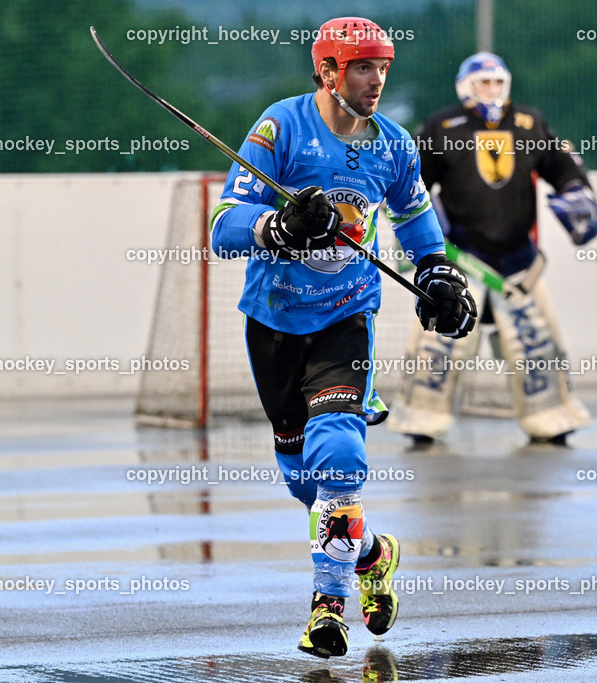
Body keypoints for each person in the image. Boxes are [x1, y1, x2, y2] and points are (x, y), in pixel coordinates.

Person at [209, 17, 477, 658]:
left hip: (347, 317)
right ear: (327, 71)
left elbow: (417, 225)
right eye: (362, 66)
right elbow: (224, 226)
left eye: (383, 67)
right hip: (272, 321)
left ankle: (326, 610)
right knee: (307, 483)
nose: (376, 79)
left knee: (338, 458)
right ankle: (373, 553)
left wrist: (438, 277)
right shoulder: (281, 127)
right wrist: (278, 225)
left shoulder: (394, 146)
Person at [388, 52, 597, 445]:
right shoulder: (441, 126)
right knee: (437, 347)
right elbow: (410, 182)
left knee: (537, 348)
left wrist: (577, 191)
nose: (492, 90)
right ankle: (421, 419)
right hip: (461, 262)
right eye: (483, 83)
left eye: (497, 82)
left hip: (520, 263)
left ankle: (551, 419)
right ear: (465, 86)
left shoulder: (530, 122)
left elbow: (563, 165)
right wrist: (418, 216)